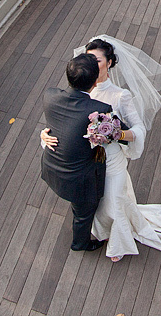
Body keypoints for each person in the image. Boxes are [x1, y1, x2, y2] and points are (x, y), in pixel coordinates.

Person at [41, 36, 161, 262]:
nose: (91, 64)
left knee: (114, 200)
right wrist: (45, 135)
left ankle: (118, 243)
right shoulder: (81, 90)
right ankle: (101, 231)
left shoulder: (120, 96)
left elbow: (138, 129)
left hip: (112, 161)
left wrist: (117, 134)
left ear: (109, 63)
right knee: (96, 202)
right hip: (87, 164)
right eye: (88, 59)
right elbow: (63, 123)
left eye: (96, 60)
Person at [40, 54, 112, 252]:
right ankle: (80, 243)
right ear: (95, 81)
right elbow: (116, 133)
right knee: (83, 213)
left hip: (52, 168)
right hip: (79, 180)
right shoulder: (99, 109)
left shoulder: (50, 95)